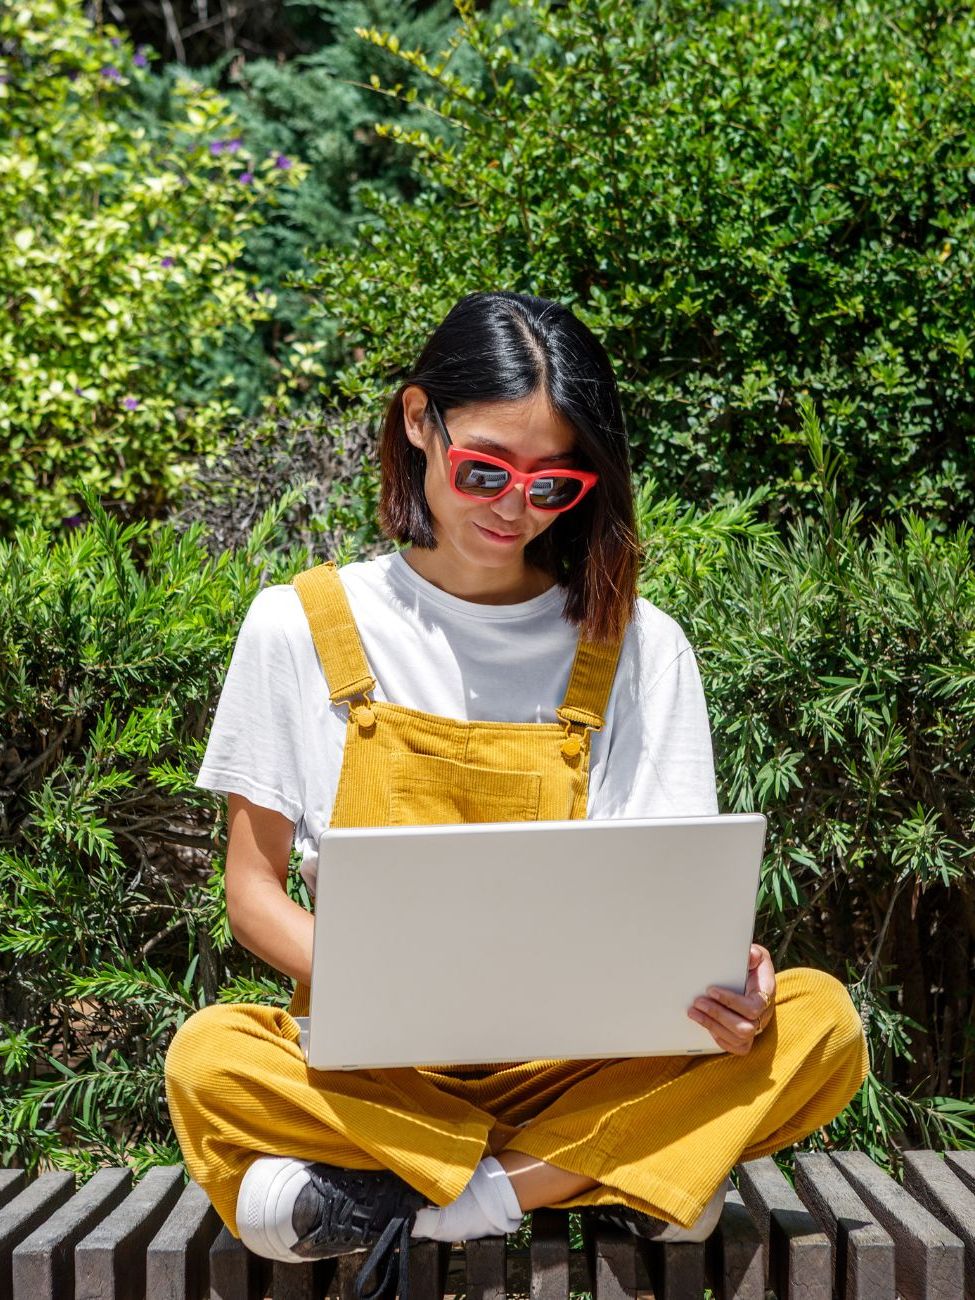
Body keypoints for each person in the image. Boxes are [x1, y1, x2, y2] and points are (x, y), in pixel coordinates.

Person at [164, 291, 868, 1298]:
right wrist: (390, 984)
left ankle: (435, 1196)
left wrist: (730, 988)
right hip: (374, 1063)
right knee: (211, 1055)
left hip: (577, 1062)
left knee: (819, 1021)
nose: (513, 506)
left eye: (554, 484)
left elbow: (671, 895)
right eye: (486, 468)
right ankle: (604, 1171)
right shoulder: (298, 623)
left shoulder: (636, 642)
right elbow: (252, 893)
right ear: (419, 422)